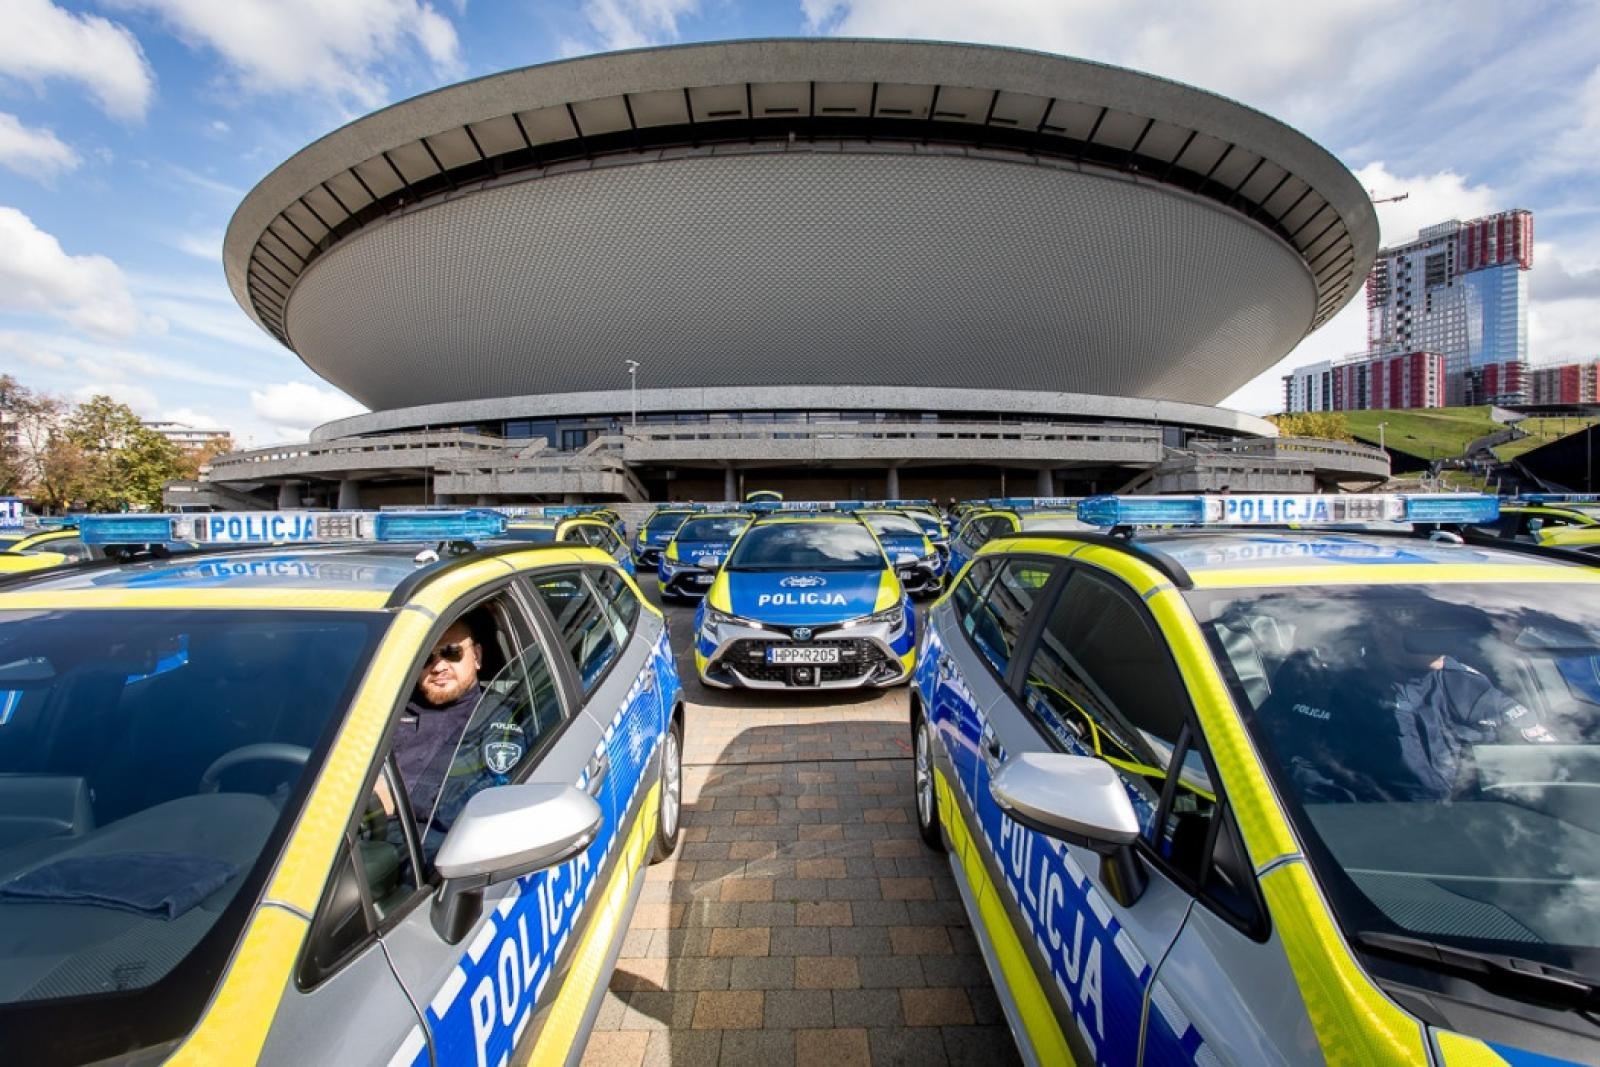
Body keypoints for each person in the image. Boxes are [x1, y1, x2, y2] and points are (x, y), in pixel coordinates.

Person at [1257, 626, 1554, 803]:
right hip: (1357, 839)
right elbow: (1276, 764)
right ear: (1382, 629)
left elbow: (1548, 755)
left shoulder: (1465, 683)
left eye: (1442, 628)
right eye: (1423, 628)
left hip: (1471, 831)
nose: (1437, 640)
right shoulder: (1323, 683)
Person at [376, 621, 485, 824]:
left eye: (451, 652)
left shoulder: (496, 716)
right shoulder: (386, 712)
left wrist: (398, 798)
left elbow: (482, 805)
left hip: (435, 850)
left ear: (476, 657)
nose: (438, 667)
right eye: (426, 657)